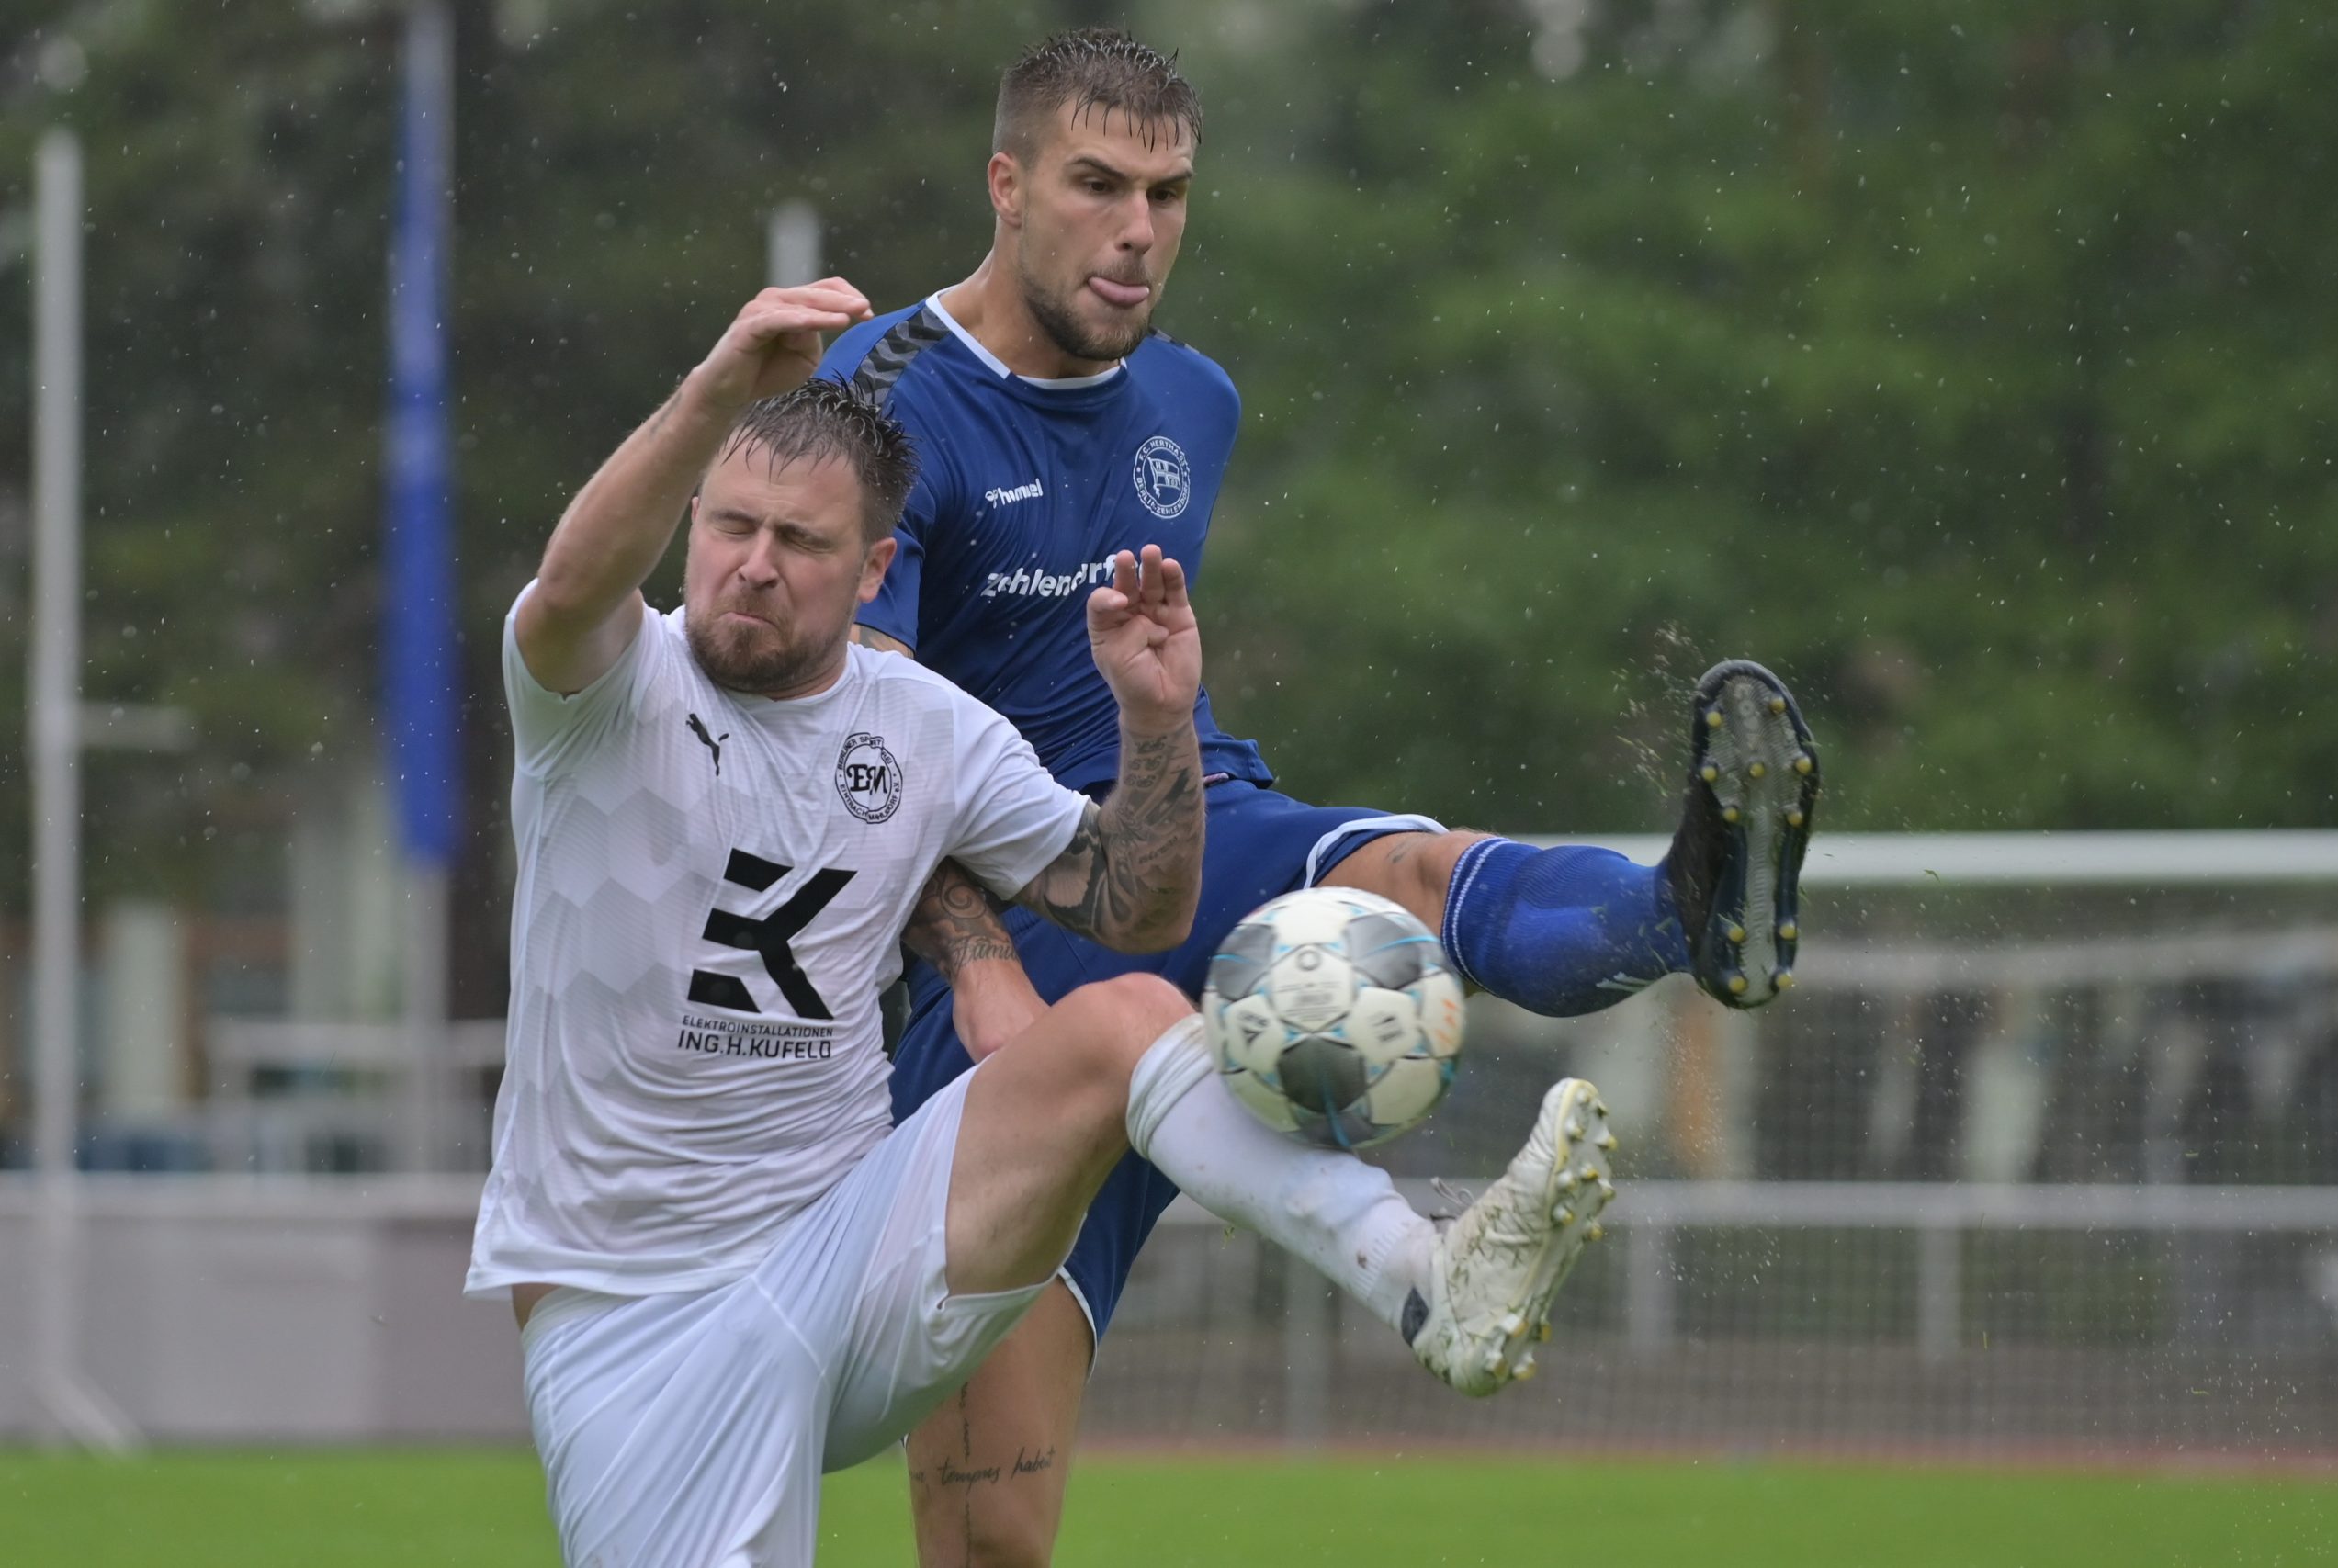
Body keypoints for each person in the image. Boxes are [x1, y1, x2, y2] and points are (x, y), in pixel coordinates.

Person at [815, 28, 1823, 1567]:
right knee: (989, 1536)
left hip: (1195, 839)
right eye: (1097, 185)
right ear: (1005, 185)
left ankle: (1686, 906)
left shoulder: (1192, 403)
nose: (1137, 230)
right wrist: (979, 959)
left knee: (1412, 876)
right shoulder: (881, 396)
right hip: (1006, 952)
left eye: (1168, 193)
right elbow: (852, 752)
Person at [468, 283, 1622, 1568]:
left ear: (874, 571)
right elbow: (571, 583)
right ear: (692, 523)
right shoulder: (607, 684)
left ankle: (1423, 1277)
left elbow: (1137, 904)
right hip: (632, 1309)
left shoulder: (932, 729)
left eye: (801, 541)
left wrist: (1155, 722)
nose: (754, 563)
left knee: (1122, 1022)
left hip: (845, 1249)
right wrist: (713, 389)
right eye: (732, 525)